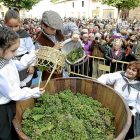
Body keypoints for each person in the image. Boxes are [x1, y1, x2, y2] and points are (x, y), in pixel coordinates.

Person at [0, 26, 45, 140]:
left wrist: (34, 54)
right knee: (6, 134)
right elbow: (13, 94)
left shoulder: (6, 60)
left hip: (9, 103)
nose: (15, 53)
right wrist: (33, 92)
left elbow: (19, 64)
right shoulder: (1, 71)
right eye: (13, 50)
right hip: (3, 108)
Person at [98, 61, 140, 139]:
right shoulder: (120, 76)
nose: (130, 71)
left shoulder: (138, 85)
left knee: (125, 133)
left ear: (138, 73)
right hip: (115, 105)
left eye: (134, 70)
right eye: (129, 68)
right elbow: (105, 77)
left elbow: (139, 104)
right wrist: (101, 87)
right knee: (110, 126)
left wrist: (133, 112)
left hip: (129, 110)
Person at [35, 10, 79, 81]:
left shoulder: (58, 30)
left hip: (60, 70)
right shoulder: (39, 42)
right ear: (43, 26)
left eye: (56, 28)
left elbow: (71, 25)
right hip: (48, 74)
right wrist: (53, 49)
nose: (55, 30)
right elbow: (39, 62)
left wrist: (75, 33)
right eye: (52, 28)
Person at [4, 7, 36, 87]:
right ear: (4, 23)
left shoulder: (24, 35)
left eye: (16, 26)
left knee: (25, 86)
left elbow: (31, 50)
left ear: (20, 23)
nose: (13, 29)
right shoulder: (2, 35)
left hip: (25, 65)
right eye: (10, 26)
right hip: (7, 64)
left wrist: (32, 64)